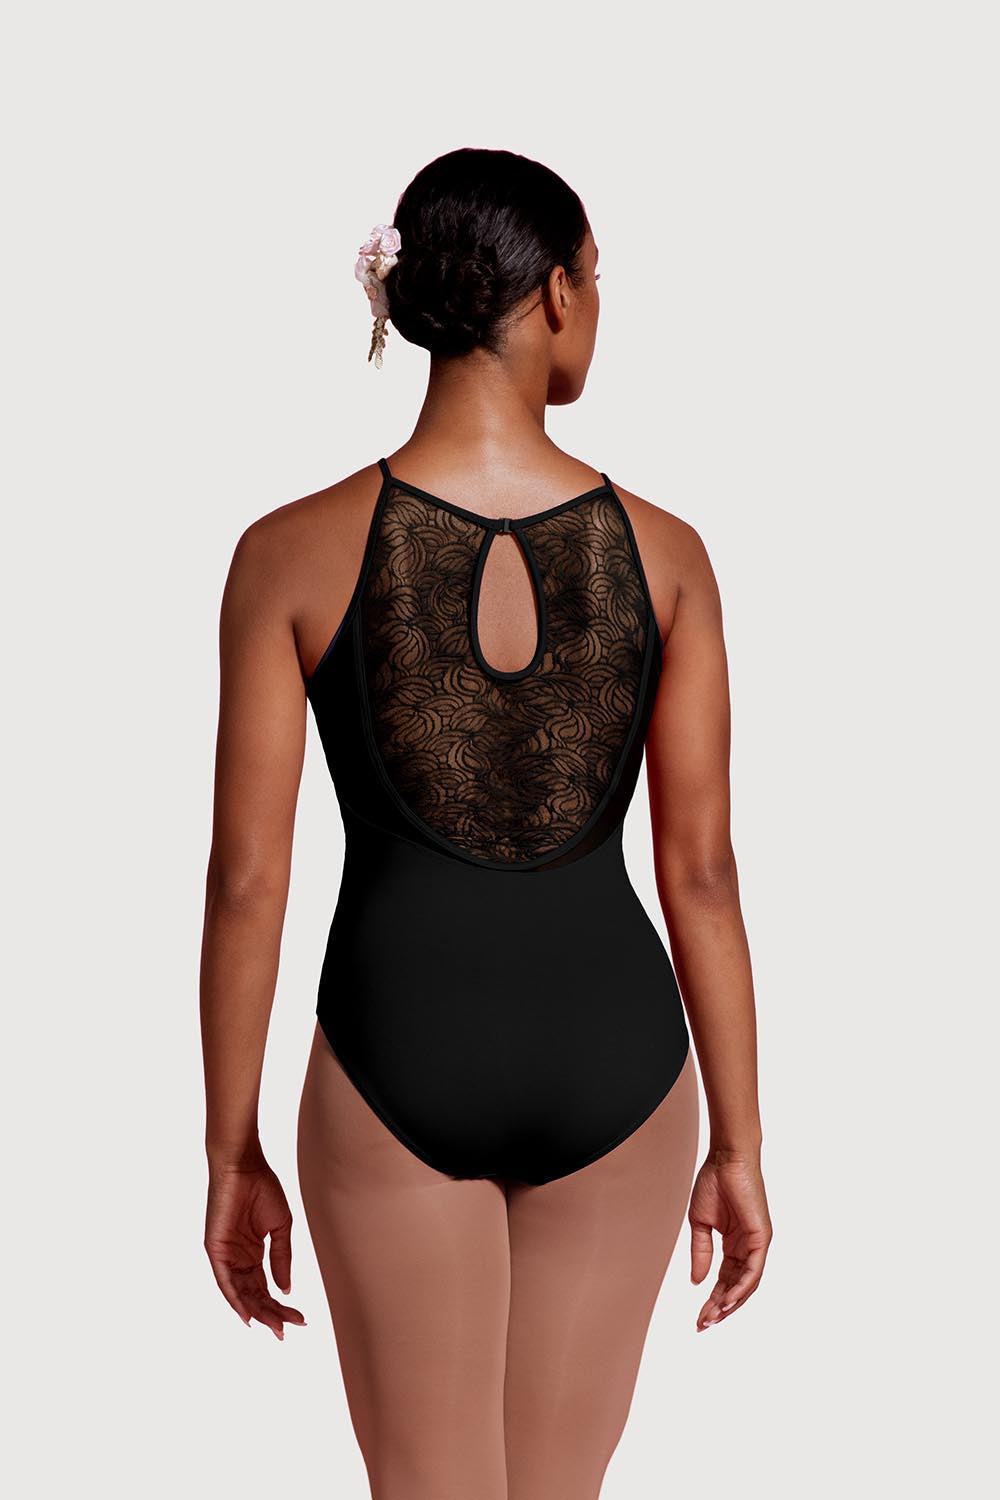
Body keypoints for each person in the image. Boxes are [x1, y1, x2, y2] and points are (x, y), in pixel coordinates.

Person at [200, 146, 772, 1500]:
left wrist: (231, 1151)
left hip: (395, 1052)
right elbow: (700, 873)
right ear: (558, 295)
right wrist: (741, 1146)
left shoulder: (287, 551)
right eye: (598, 279)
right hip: (618, 1065)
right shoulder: (669, 555)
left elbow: (247, 882)